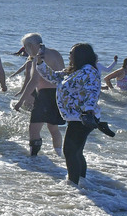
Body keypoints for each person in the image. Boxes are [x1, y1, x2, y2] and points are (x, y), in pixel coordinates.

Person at [34, 42, 114, 185]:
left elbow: (93, 91)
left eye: (72, 53)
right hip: (76, 117)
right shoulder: (74, 70)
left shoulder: (89, 71)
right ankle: (82, 181)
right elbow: (52, 77)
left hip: (83, 117)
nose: (69, 55)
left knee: (70, 151)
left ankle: (73, 184)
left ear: (80, 55)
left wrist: (88, 110)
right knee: (76, 151)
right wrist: (40, 61)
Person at [14, 33, 66, 157]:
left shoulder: (39, 57)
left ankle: (33, 158)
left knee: (34, 129)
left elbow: (34, 81)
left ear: (31, 45)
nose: (25, 51)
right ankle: (59, 155)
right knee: (53, 128)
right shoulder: (55, 53)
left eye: (25, 47)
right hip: (58, 94)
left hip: (45, 96)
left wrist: (20, 102)